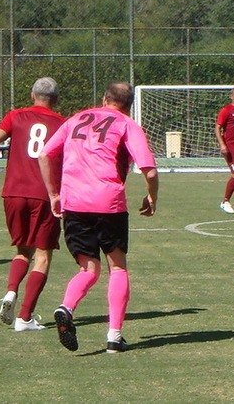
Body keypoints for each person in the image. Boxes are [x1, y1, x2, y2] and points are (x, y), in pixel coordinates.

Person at [38, 82, 159, 354]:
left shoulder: (76, 119)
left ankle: (66, 307)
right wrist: (152, 197)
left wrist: (53, 194)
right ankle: (114, 336)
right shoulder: (127, 124)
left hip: (74, 203)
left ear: (104, 99)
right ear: (129, 105)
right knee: (117, 267)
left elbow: (45, 153)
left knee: (88, 269)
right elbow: (149, 171)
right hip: (108, 203)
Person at [0, 77, 66, 332]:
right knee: (42, 256)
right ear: (56, 99)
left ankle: (10, 292)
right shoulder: (62, 123)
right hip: (45, 195)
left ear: (32, 95)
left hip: (14, 193)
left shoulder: (15, 116)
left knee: (22, 250)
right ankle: (25, 317)